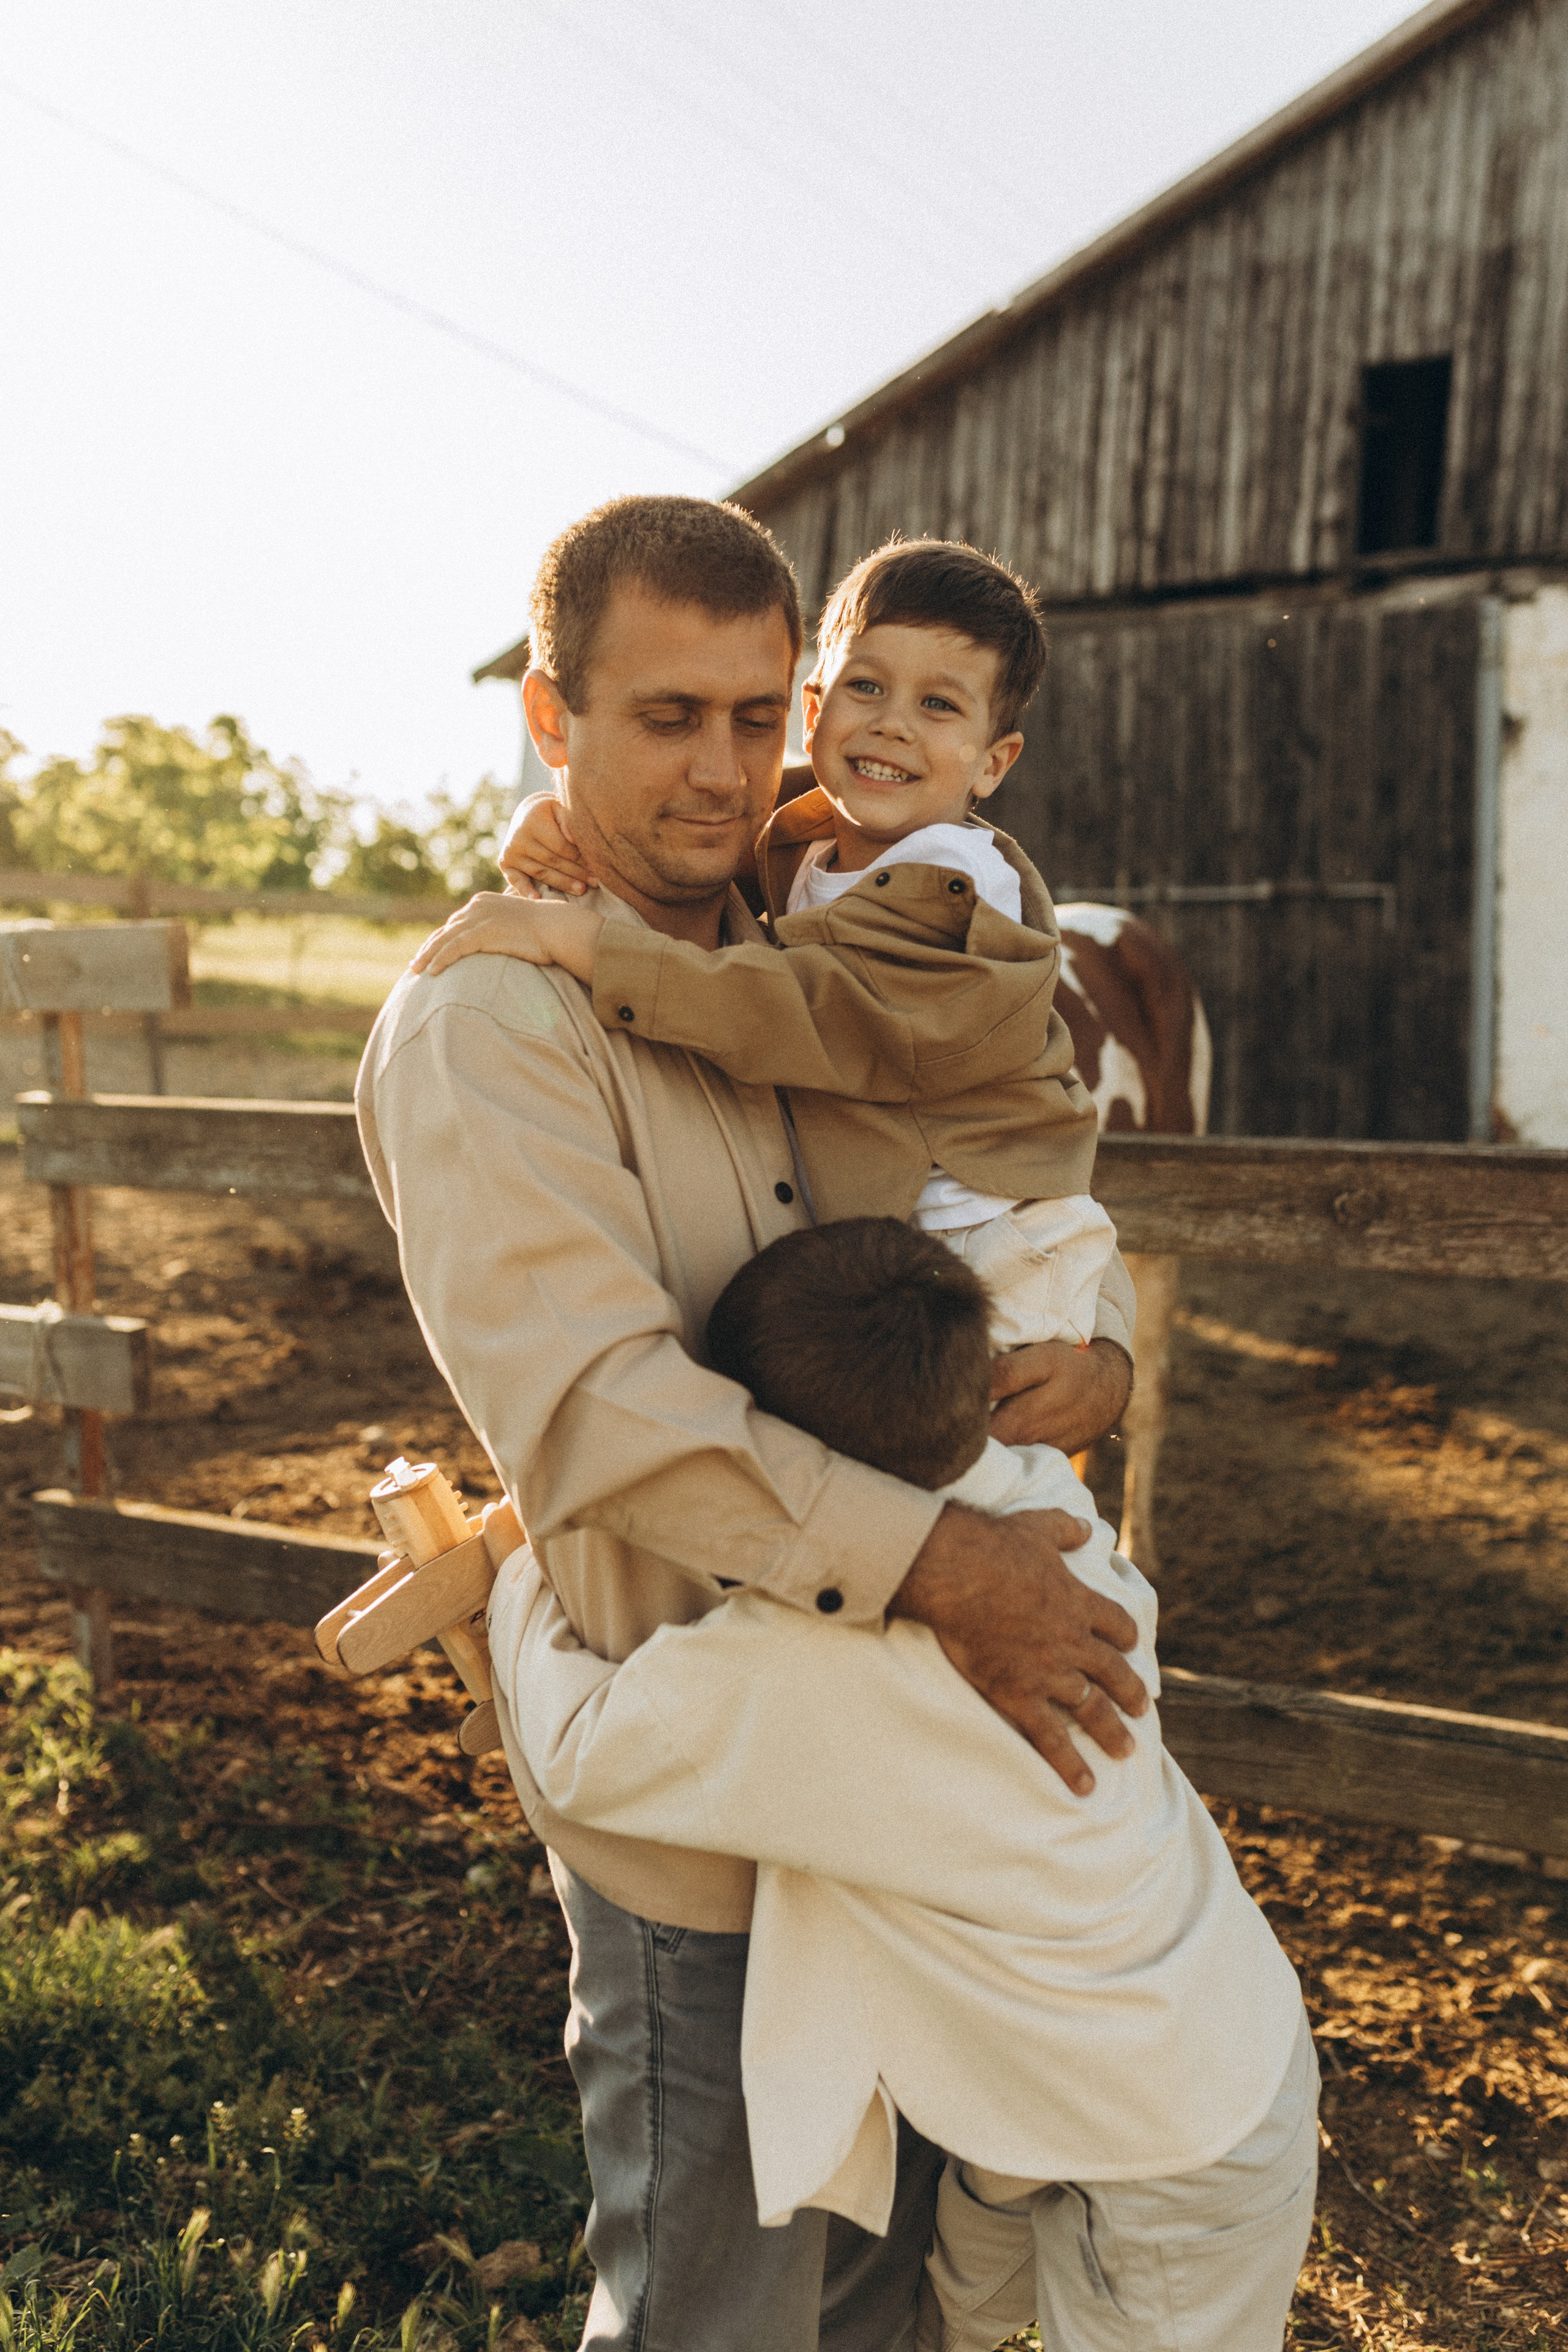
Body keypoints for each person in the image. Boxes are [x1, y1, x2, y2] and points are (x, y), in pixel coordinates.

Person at [356, 494, 1147, 2352]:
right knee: (723, 2301)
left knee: (901, 2287)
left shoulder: (829, 932)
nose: (726, 767)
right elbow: (597, 1413)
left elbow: (1014, 1133)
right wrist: (947, 1558)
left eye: (754, 714)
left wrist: (1099, 1344)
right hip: (706, 1788)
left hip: (916, 1764)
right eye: (662, 718)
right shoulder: (494, 1023)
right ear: (552, 722)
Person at [491, 1216, 1317, 2351]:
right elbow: (1049, 1222)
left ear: (792, 1468)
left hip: (1185, 2134)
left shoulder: (814, 1666)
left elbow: (581, 1750)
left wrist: (520, 1579)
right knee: (946, 2322)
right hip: (1120, 2058)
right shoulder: (1044, 1515)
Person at [413, 538, 1120, 1352]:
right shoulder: (827, 845)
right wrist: (555, 813)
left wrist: (581, 939)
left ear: (993, 765)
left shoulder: (951, 890)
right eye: (867, 688)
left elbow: (791, 1006)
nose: (892, 725)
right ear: (816, 713)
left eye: (940, 706)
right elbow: (714, 806)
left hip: (990, 1240)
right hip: (916, 1239)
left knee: (986, 1462)